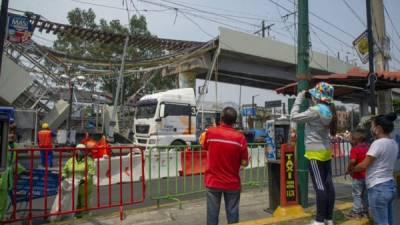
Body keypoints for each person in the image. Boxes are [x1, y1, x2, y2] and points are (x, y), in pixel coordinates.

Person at [290, 82, 337, 225]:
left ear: (318, 96)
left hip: (314, 154)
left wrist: (299, 98)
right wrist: (312, 98)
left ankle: (319, 220)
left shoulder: (314, 110)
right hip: (325, 152)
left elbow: (294, 117)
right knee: (328, 186)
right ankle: (328, 218)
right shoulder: (328, 110)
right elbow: (317, 109)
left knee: (320, 187)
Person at [201, 107, 248, 225]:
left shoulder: (210, 132)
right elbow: (244, 162)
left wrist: (213, 127)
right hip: (232, 183)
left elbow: (204, 145)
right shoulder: (240, 138)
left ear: (221, 118)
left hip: (213, 182)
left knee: (212, 215)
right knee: (233, 216)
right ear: (235, 121)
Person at [350, 113, 399, 225]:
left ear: (378, 129)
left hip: (378, 187)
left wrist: (352, 170)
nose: (371, 129)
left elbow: (364, 165)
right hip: (390, 185)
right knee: (389, 220)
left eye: (372, 126)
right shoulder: (393, 143)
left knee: (381, 222)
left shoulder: (378, 143)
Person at [62, 144, 95, 218]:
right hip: (73, 186)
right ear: (76, 151)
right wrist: (63, 176)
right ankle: (76, 217)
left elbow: (91, 173)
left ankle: (85, 218)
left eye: (84, 150)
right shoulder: (71, 160)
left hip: (85, 186)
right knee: (74, 203)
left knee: (85, 204)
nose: (83, 152)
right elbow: (65, 170)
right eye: (81, 150)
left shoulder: (89, 160)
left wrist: (84, 180)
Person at [345, 129, 369, 218]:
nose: (350, 140)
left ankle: (356, 212)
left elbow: (352, 161)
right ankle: (365, 211)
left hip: (358, 176)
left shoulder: (355, 149)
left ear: (355, 139)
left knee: (357, 194)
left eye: (351, 138)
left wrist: (348, 169)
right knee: (365, 194)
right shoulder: (367, 147)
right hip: (367, 176)